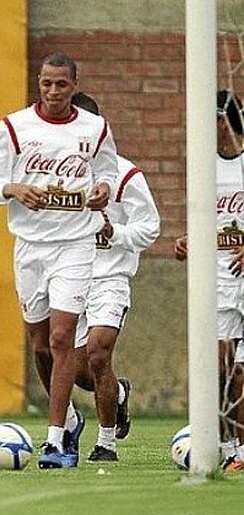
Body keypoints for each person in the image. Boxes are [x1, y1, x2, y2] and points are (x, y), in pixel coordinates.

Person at [0, 53, 119, 469]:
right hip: (30, 246)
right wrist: (13, 189)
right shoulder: (14, 127)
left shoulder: (94, 129)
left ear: (75, 85)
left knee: (61, 338)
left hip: (75, 244)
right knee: (40, 346)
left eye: (61, 84)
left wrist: (103, 190)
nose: (53, 91)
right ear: (39, 83)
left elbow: (107, 172)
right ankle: (70, 419)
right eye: (46, 84)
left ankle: (55, 441)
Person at [68, 92, 160, 462]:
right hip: (69, 274)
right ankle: (118, 394)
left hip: (110, 277)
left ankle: (105, 443)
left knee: (98, 354)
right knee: (80, 372)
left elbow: (150, 227)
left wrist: (115, 233)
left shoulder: (125, 175)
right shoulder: (56, 174)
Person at [181, 89, 244, 472]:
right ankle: (226, 446)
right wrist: (188, 241)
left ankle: (241, 451)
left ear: (223, 122)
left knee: (241, 371)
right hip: (219, 280)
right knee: (220, 368)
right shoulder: (204, 167)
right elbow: (205, 221)